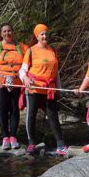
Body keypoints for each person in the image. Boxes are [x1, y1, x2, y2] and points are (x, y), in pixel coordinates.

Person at [20, 24, 68, 156]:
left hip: (49, 89)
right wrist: (25, 79)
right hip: (33, 89)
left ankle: (60, 144)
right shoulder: (30, 51)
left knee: (53, 116)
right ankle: (31, 143)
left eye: (46, 34)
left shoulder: (52, 50)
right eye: (42, 34)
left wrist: (59, 87)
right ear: (37, 36)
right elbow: (22, 70)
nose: (45, 36)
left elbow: (56, 72)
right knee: (31, 115)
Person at [0, 23, 29, 150]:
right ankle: (5, 136)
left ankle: (13, 136)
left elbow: (27, 64)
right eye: (4, 31)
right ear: (1, 33)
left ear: (13, 32)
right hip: (1, 83)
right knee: (3, 108)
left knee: (15, 109)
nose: (7, 33)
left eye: (9, 31)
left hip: (17, 83)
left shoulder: (22, 47)